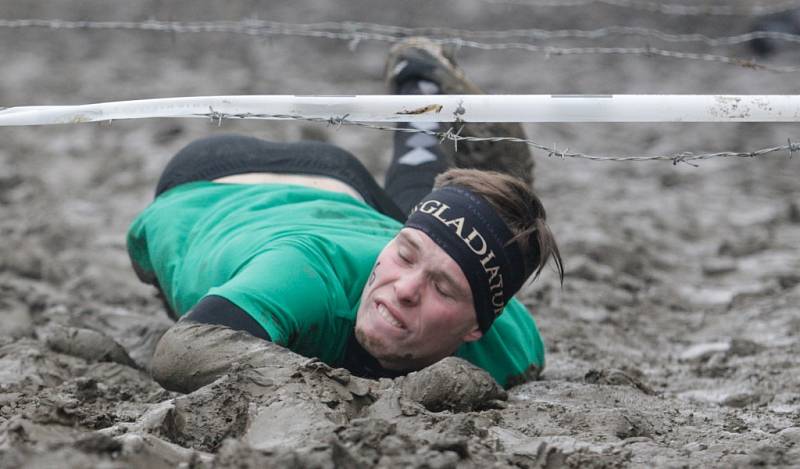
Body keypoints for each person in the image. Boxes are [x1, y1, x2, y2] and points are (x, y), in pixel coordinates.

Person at [127, 38, 563, 394]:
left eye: (443, 288)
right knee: (418, 230)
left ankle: (434, 106)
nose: (407, 289)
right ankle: (427, 97)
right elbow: (183, 350)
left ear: (477, 328)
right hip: (215, 179)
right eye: (405, 258)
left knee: (420, 231)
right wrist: (350, 389)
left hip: (349, 199)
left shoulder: (514, 349)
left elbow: (467, 272)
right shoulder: (301, 274)